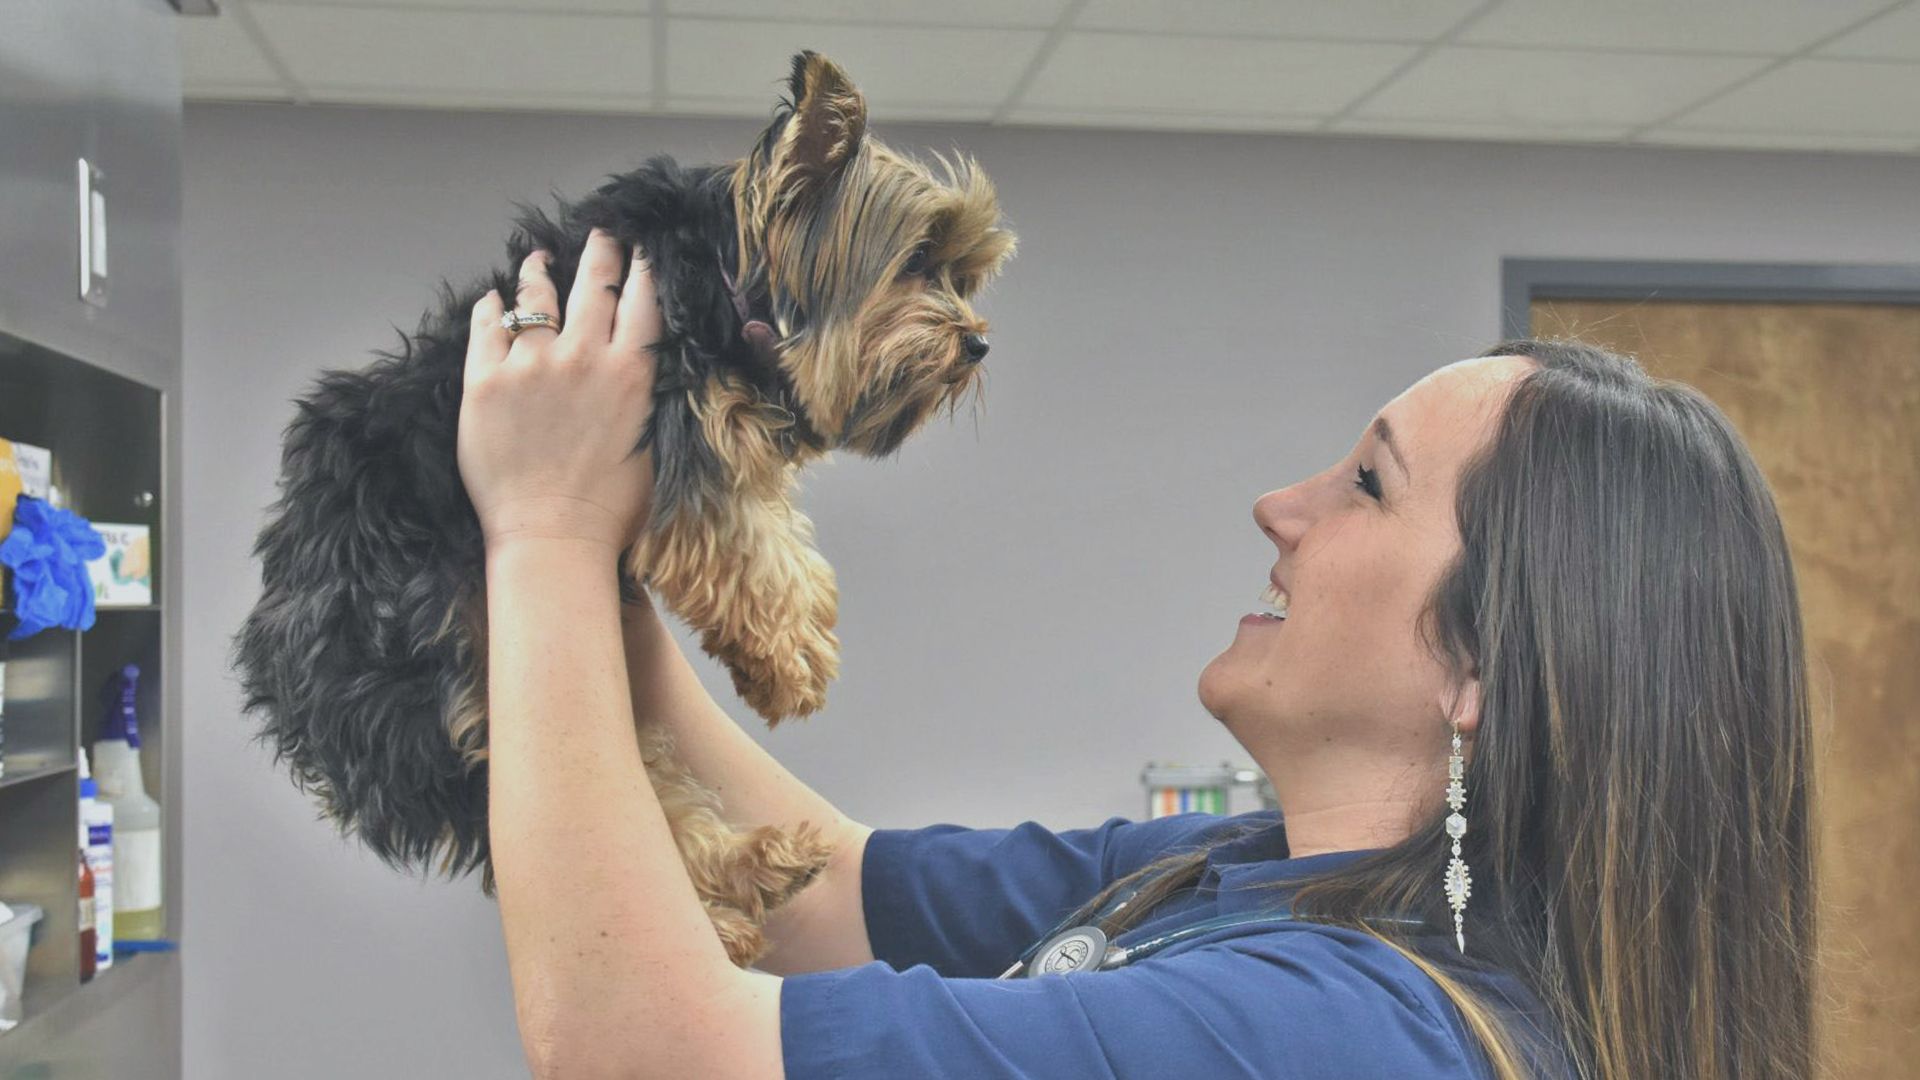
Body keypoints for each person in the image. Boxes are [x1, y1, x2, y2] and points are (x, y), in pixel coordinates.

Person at [458, 228, 1816, 1079]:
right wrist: (606, 569)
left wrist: (546, 539)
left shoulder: (1341, 1034)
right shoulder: (1246, 871)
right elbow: (823, 894)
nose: (1281, 507)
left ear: (1483, 671)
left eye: (1366, 487)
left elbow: (645, 1049)